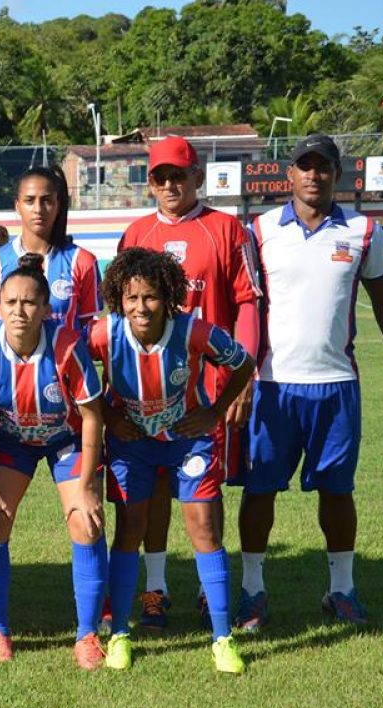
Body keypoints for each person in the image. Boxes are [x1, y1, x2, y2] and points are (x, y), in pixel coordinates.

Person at [238, 134, 383, 628]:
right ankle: (252, 593)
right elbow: (244, 307)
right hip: (273, 386)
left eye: (323, 167)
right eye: (305, 166)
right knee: (260, 490)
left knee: (337, 492)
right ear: (289, 174)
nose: (314, 175)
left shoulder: (363, 231)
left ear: (336, 175)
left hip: (337, 385)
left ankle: (342, 591)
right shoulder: (259, 231)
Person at [111, 136, 259, 630]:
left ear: (197, 175)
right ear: (150, 183)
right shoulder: (135, 233)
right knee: (147, 493)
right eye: (160, 177)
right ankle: (156, 588)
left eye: (179, 174)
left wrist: (242, 382)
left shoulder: (227, 230)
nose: (170, 184)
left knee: (203, 496)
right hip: (142, 397)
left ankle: (205, 590)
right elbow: (118, 320)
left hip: (205, 392)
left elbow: (246, 304)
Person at [88, 247, 254, 674]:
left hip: (187, 441)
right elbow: (73, 370)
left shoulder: (195, 332)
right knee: (129, 529)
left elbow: (244, 362)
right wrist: (109, 415)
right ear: (118, 300)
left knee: (202, 526)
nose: (141, 307)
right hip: (133, 444)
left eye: (151, 297)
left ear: (168, 298)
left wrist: (215, 412)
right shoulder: (104, 335)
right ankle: (121, 635)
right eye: (131, 298)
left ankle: (222, 639)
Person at [0, 253, 106, 665]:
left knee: (85, 519)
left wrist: (89, 484)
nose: (19, 312)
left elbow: (93, 416)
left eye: (29, 303)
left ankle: (87, 635)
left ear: (45, 308)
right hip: (12, 442)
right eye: (10, 303)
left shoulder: (67, 347)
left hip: (66, 439)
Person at [0, 166, 102, 332]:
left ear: (58, 205)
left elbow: (87, 331)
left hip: (65, 358)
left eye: (47, 201)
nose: (38, 209)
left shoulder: (83, 261)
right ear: (17, 205)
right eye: (29, 200)